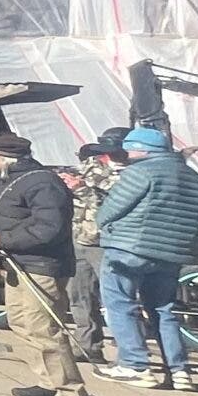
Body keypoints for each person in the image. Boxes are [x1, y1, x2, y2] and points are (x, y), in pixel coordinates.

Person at [0, 130, 93, 396]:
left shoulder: (42, 183)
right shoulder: (12, 177)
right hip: (18, 263)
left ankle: (72, 393)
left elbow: (48, 227)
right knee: (21, 323)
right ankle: (48, 380)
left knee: (44, 328)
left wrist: (1, 240)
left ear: (4, 159)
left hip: (42, 266)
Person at [94, 127, 198, 389]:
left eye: (130, 148)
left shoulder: (140, 172)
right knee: (163, 309)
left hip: (129, 249)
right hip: (170, 255)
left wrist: (102, 223)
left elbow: (112, 208)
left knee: (120, 302)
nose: (127, 153)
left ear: (144, 150)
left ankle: (134, 364)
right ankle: (178, 370)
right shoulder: (194, 177)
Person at [64, 131, 127, 364]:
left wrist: (82, 188)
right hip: (80, 235)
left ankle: (129, 354)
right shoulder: (92, 165)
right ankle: (87, 345)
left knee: (117, 297)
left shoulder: (135, 173)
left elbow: (115, 204)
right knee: (79, 295)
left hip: (110, 241)